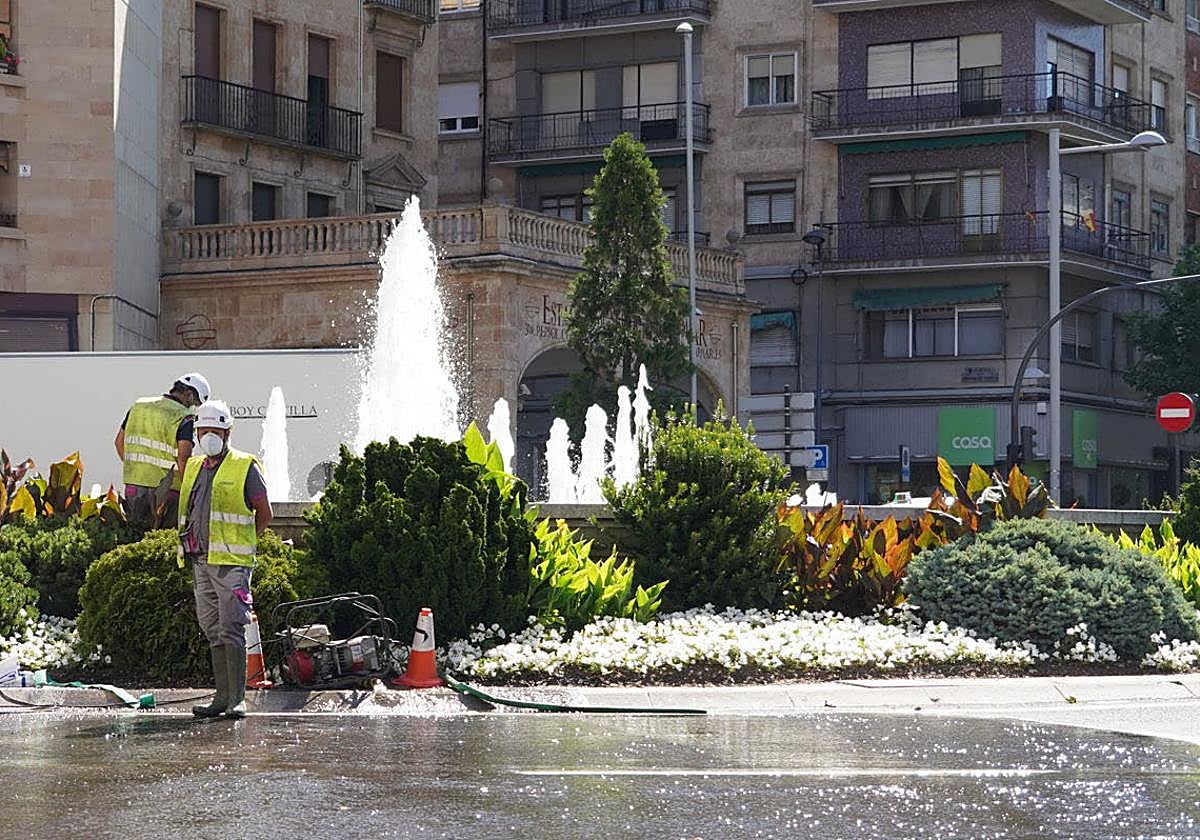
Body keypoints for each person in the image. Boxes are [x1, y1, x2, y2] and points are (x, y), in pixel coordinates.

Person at [178, 399, 273, 719]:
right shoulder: (193, 466)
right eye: (204, 430)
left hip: (232, 564)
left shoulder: (244, 465)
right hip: (200, 560)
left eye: (216, 430)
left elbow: (265, 512)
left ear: (228, 431)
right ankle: (221, 697)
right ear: (198, 431)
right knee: (212, 627)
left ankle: (237, 699)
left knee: (233, 627)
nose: (210, 436)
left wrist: (245, 543)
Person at [114, 372, 211, 528]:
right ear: (189, 395)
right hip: (167, 493)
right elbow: (183, 459)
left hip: (133, 487)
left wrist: (137, 469)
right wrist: (192, 490)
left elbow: (119, 443)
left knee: (135, 536)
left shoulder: (138, 406)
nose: (193, 408)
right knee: (163, 541)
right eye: (195, 404)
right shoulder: (184, 418)